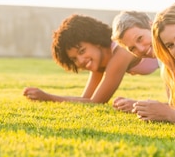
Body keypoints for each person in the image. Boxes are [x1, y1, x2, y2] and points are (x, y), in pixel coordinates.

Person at [22, 14, 159, 105]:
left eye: (82, 51)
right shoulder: (99, 63)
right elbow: (86, 99)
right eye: (74, 58)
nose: (81, 60)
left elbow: (97, 102)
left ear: (96, 41)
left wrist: (49, 97)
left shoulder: (121, 52)